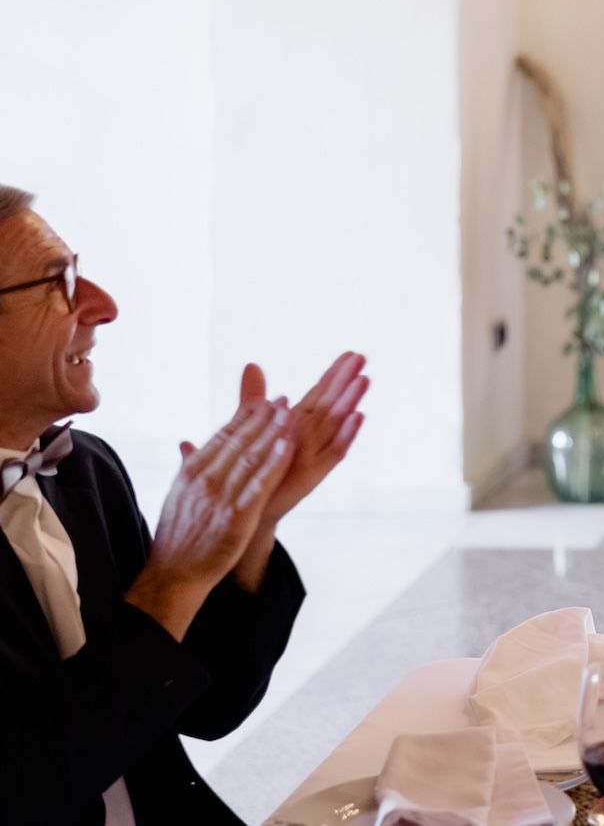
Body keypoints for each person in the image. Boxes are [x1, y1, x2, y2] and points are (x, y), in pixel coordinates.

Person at [0, 185, 369, 823]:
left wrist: (253, 527)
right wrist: (171, 581)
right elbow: (22, 786)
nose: (103, 305)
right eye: (58, 281)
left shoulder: (87, 470)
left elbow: (203, 705)